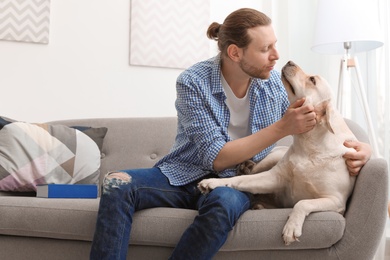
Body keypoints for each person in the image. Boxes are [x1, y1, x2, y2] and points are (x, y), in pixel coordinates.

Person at [90, 8, 371, 260]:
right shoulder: (192, 82)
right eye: (265, 49)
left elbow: (328, 120)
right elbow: (217, 159)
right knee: (117, 184)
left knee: (223, 206)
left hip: (238, 181)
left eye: (275, 45)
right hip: (181, 174)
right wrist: (283, 127)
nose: (275, 55)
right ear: (235, 53)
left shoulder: (274, 83)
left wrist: (365, 150)